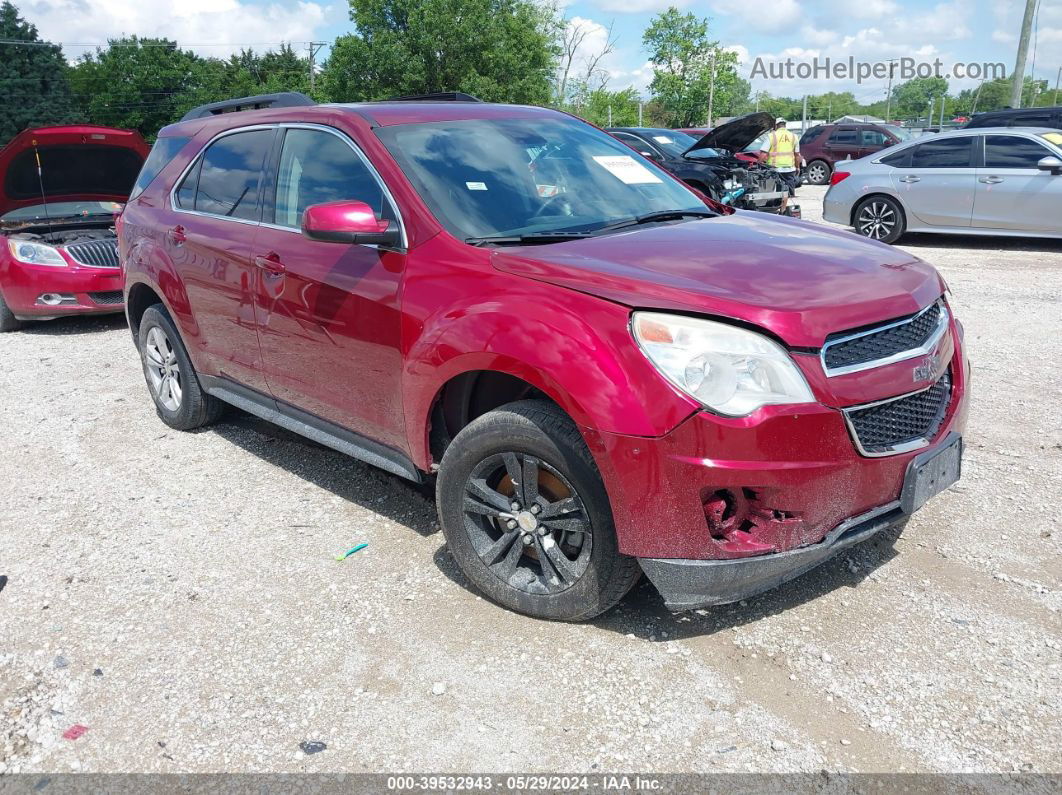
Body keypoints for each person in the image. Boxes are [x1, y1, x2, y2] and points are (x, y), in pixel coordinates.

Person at [759, 118, 802, 193]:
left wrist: (758, 164)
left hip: (774, 169)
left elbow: (763, 153)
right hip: (790, 169)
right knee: (789, 193)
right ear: (785, 125)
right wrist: (797, 167)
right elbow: (797, 155)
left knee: (775, 194)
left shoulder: (771, 136)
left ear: (776, 125)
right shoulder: (794, 136)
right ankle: (786, 203)